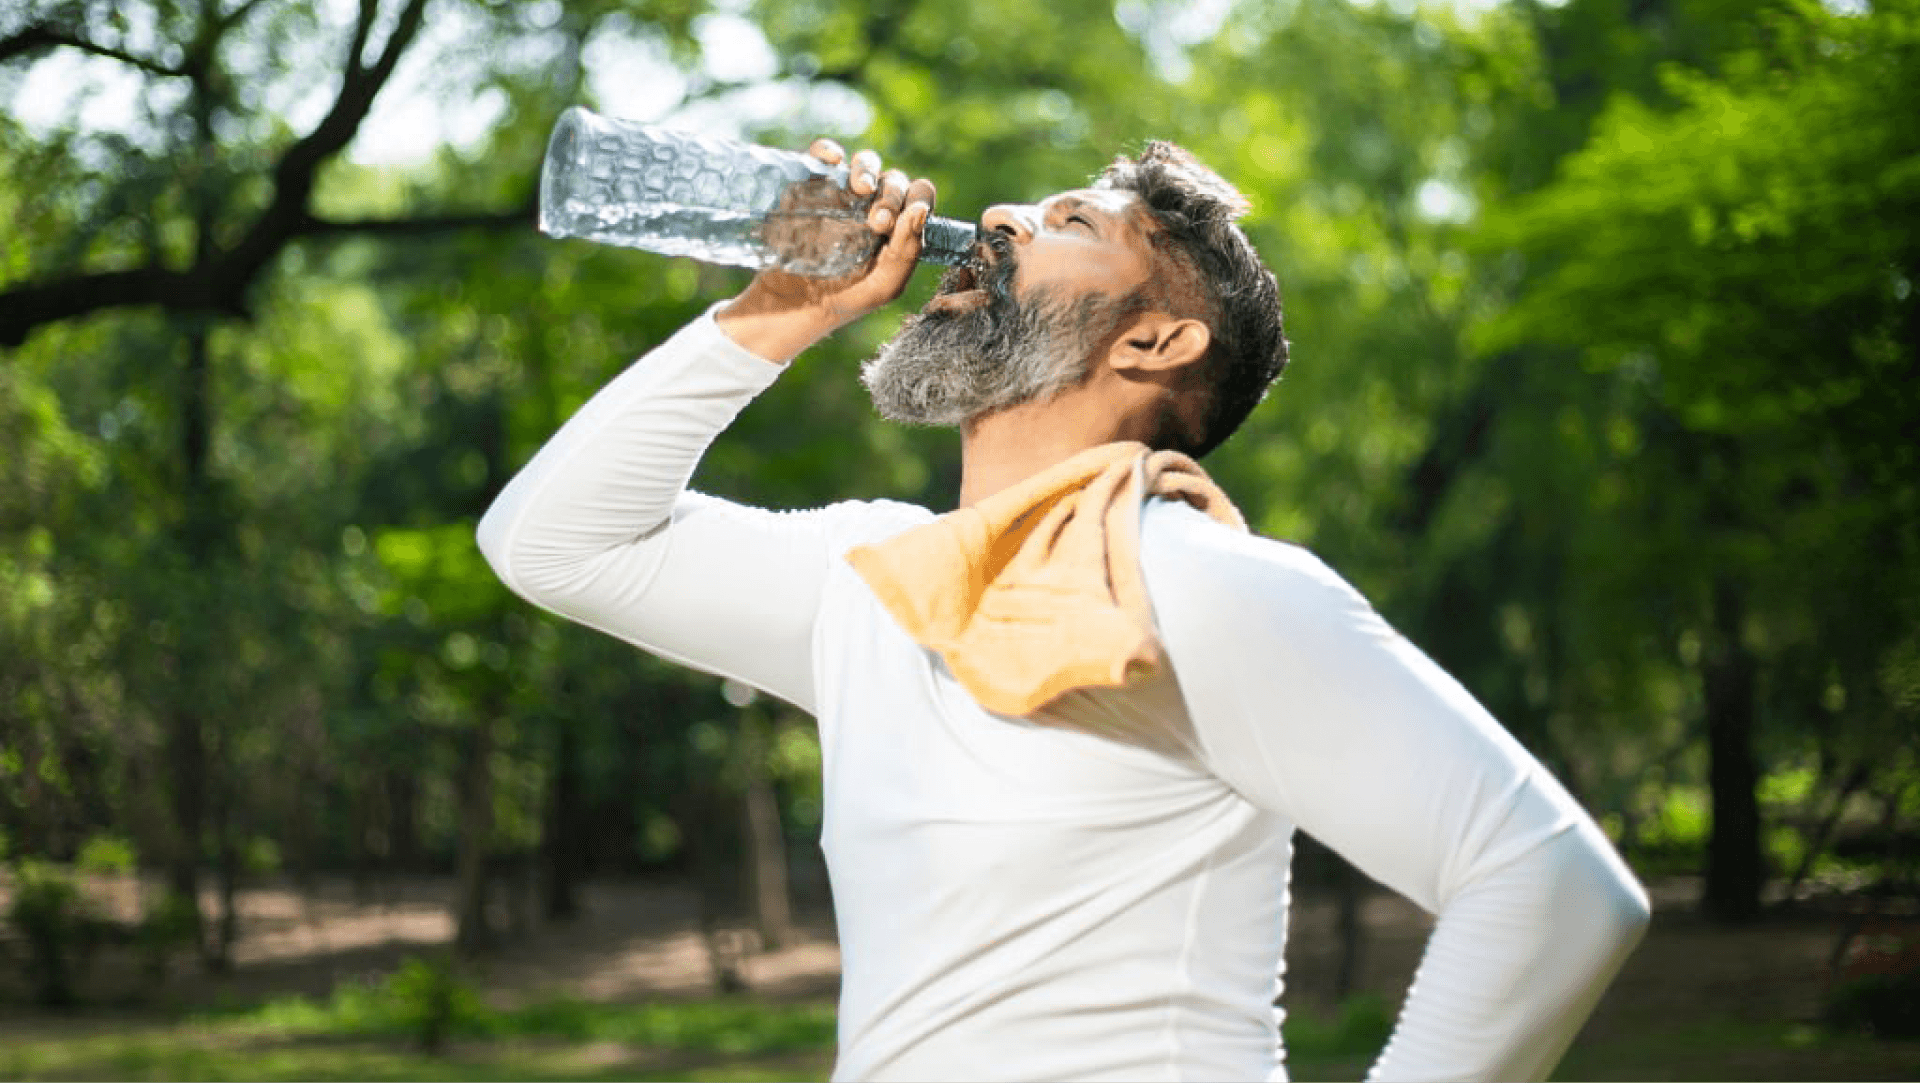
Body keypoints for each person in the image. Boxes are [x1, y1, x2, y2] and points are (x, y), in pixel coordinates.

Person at [477, 136, 1650, 1082]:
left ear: (1153, 337)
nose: (998, 224)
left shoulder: (1198, 584)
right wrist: (777, 315)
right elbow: (552, 545)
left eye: (1067, 225)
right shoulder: (881, 575)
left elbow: (1552, 888)